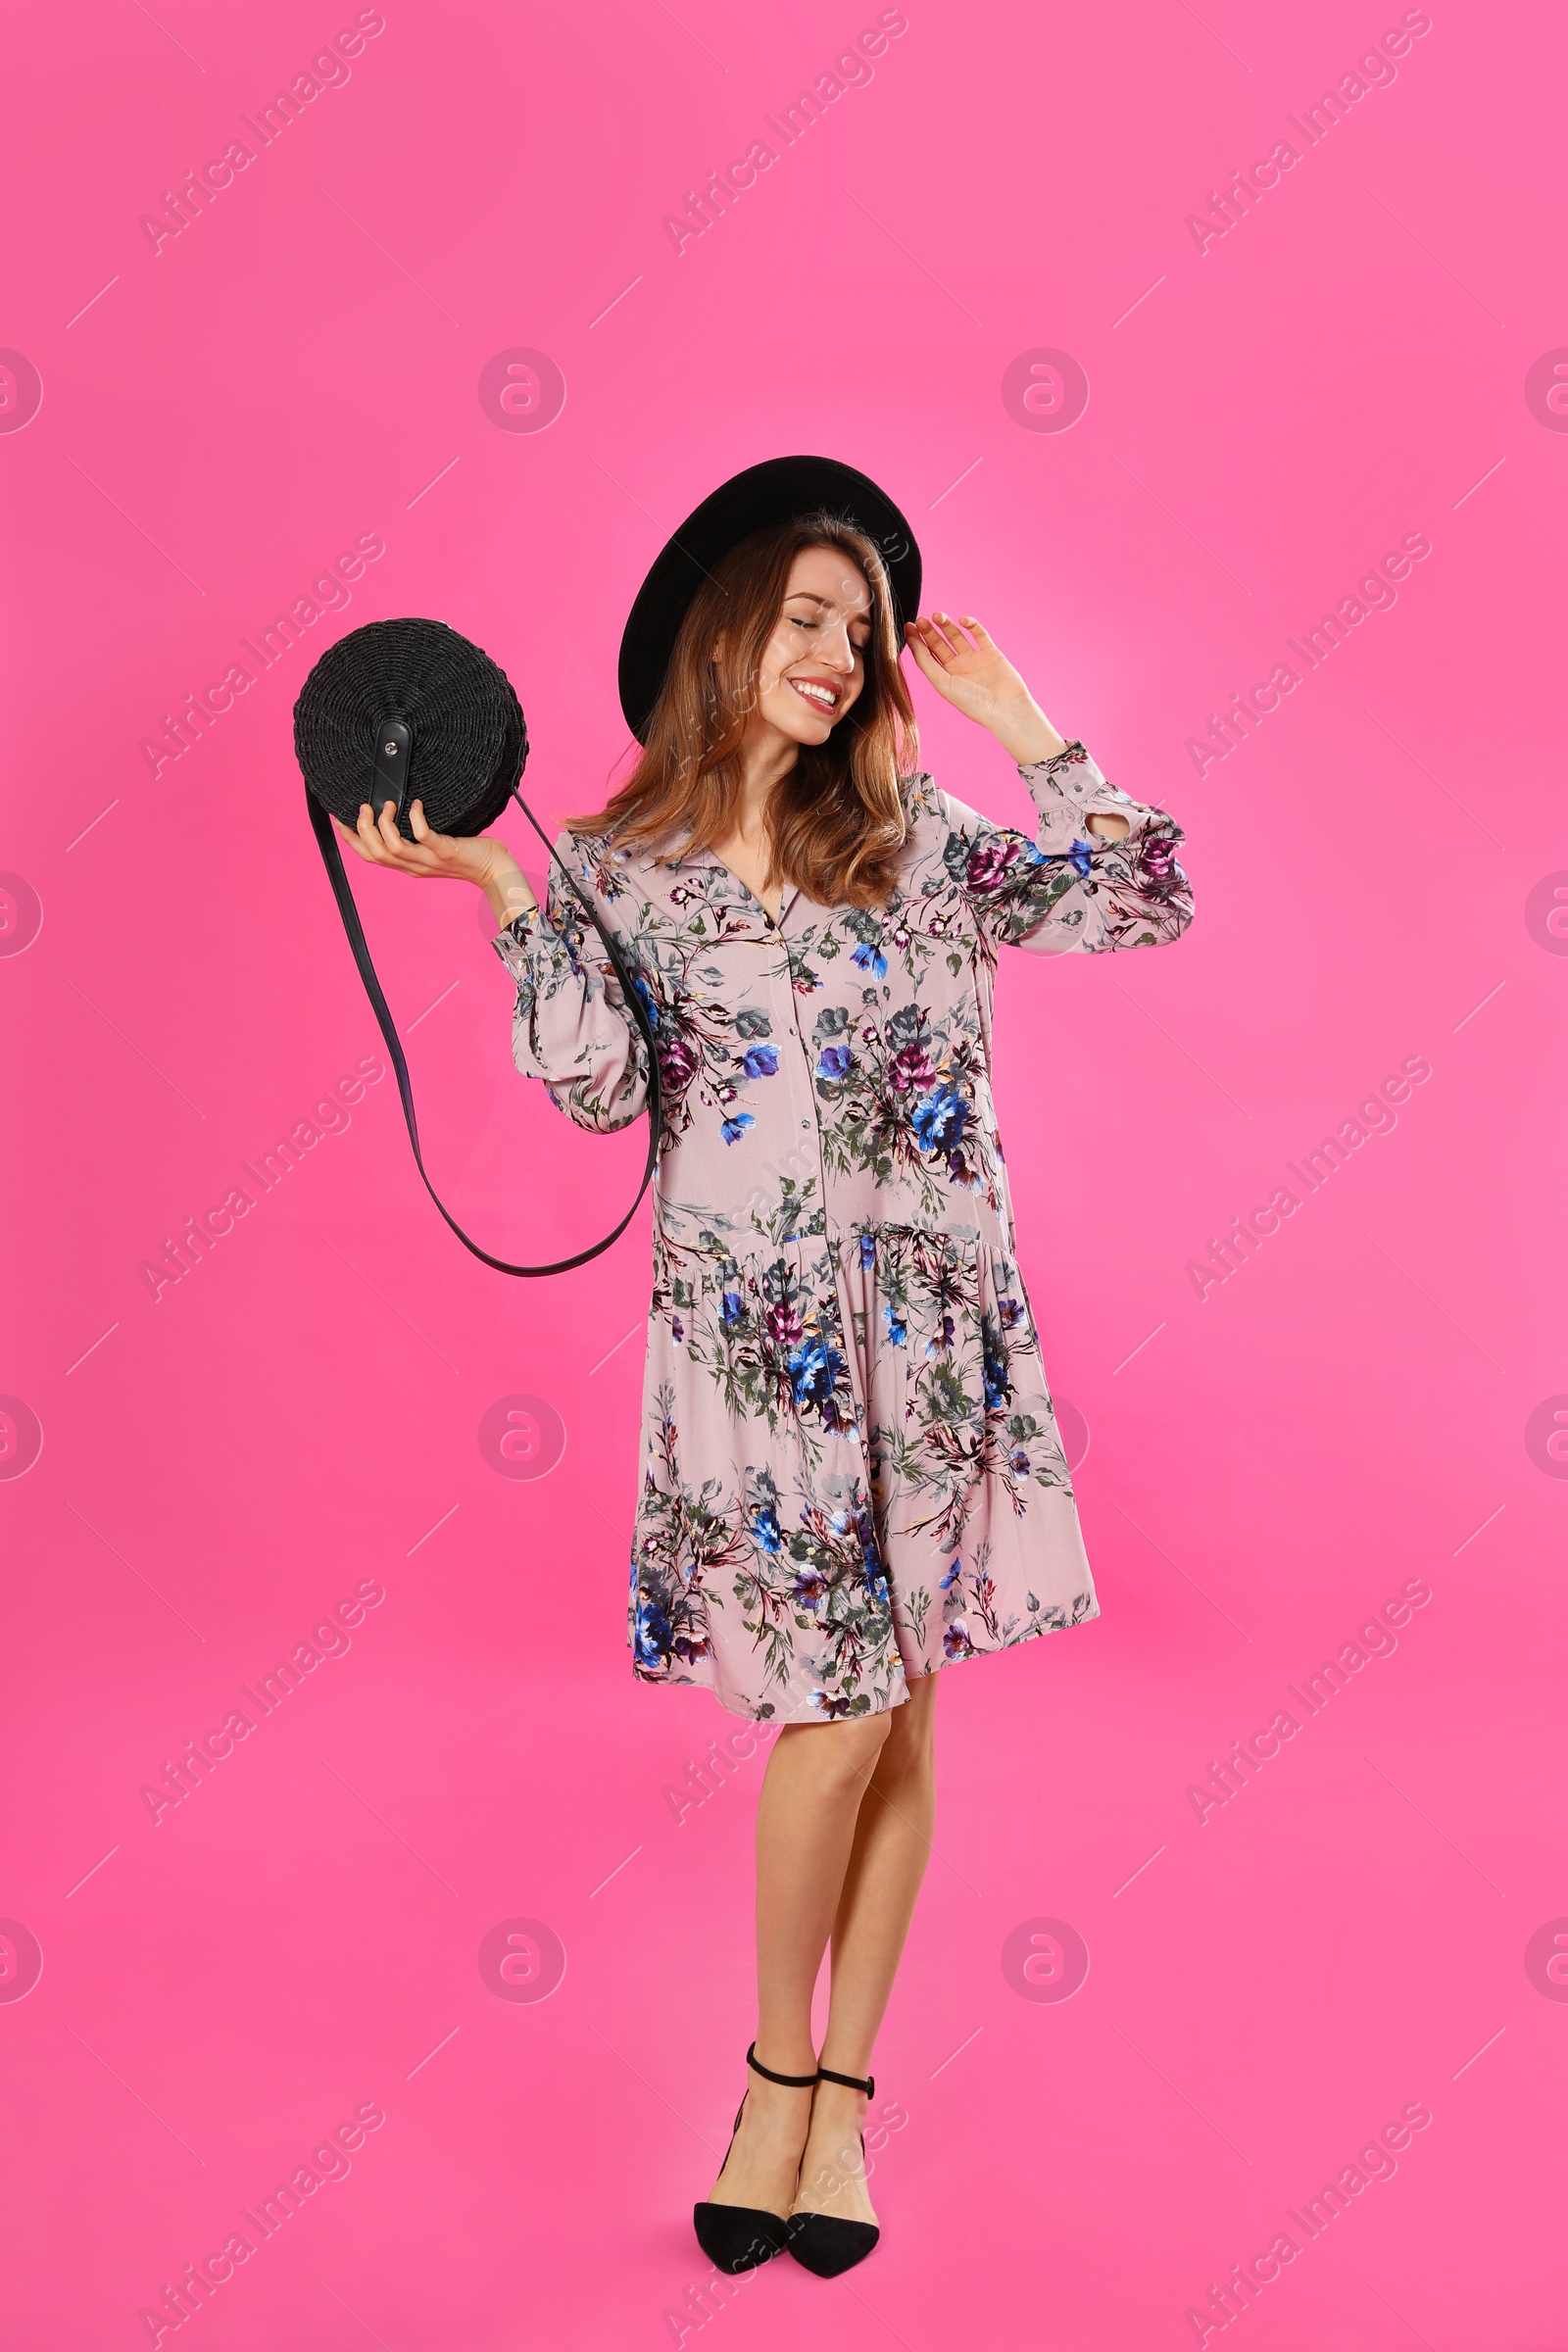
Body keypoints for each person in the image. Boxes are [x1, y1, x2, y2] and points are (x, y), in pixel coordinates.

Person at [333, 457, 1195, 2280]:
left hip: (935, 1339)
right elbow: (586, 1087)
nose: (836, 654)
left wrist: (1023, 723)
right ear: (725, 634)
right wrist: (501, 879)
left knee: (903, 1715)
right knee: (841, 1718)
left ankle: (836, 2104)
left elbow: (1140, 901)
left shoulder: (915, 841)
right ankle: (770, 2078)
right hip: (759, 1354)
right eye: (806, 617)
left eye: (860, 632)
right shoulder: (627, 873)